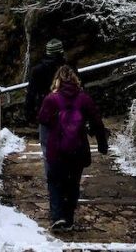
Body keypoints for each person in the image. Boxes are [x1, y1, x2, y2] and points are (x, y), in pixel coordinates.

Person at [37, 65, 109, 232]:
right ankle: (68, 219)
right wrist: (102, 144)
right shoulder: (84, 98)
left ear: (57, 80)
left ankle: (57, 216)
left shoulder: (51, 99)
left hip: (57, 149)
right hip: (78, 148)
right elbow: (97, 122)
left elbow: (42, 119)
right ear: (76, 80)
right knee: (73, 183)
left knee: (55, 182)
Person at [25, 39, 67, 153]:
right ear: (61, 52)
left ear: (47, 52)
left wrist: (29, 114)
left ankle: (51, 170)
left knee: (47, 148)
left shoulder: (37, 70)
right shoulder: (69, 68)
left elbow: (31, 93)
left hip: (46, 113)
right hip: (68, 112)